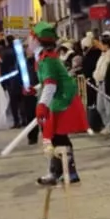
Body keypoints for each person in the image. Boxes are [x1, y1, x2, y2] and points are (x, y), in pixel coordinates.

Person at [32, 23, 87, 185]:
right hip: (58, 99)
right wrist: (35, 89)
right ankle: (60, 171)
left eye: (31, 37)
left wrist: (42, 105)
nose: (28, 41)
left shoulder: (48, 60)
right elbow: (47, 83)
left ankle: (66, 172)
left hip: (62, 100)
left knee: (58, 135)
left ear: (38, 40)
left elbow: (50, 84)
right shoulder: (45, 58)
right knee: (57, 136)